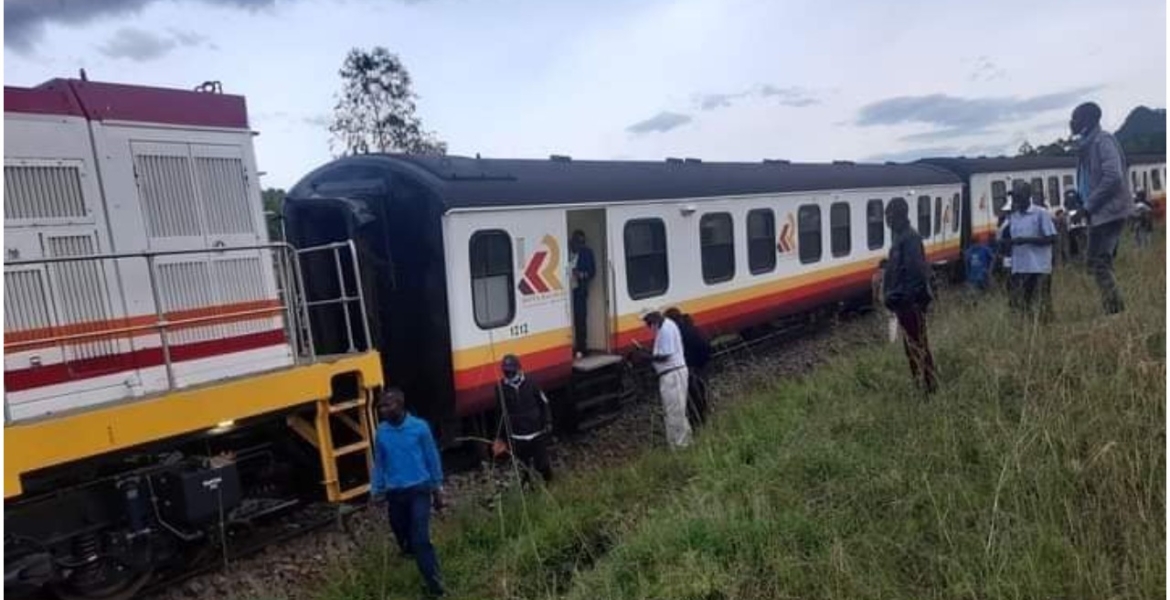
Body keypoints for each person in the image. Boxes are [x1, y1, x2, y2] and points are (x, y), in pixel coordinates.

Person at [370, 389, 445, 598]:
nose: (383, 410)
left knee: (420, 539)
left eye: (387, 405)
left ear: (400, 405)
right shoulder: (382, 432)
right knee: (401, 533)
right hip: (395, 493)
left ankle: (436, 585)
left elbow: (432, 457)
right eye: (381, 407)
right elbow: (380, 462)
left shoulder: (420, 428)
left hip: (419, 490)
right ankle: (412, 551)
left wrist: (437, 488)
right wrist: (376, 489)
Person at [1070, 102, 1131, 315]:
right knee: (1095, 262)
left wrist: (1088, 206)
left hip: (1108, 212)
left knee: (1099, 262)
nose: (1072, 123)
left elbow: (1113, 177)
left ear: (1088, 120)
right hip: (1097, 213)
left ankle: (1116, 310)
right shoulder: (1086, 146)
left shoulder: (1102, 141)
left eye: (1076, 118)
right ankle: (1113, 305)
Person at [882, 197, 937, 394]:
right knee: (911, 346)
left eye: (888, 216)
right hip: (904, 303)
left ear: (897, 216)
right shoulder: (900, 238)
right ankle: (920, 383)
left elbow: (915, 273)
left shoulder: (910, 239)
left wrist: (904, 299)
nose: (886, 221)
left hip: (911, 304)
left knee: (918, 344)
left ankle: (929, 386)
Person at [1002, 180, 1057, 322]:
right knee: (1022, 304)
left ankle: (1047, 326)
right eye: (1014, 197)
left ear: (1027, 196)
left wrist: (1026, 240)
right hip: (1020, 268)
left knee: (1042, 302)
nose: (1015, 200)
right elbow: (1008, 241)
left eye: (1018, 196)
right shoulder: (1013, 217)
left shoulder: (1041, 214)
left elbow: (1052, 238)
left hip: (1039, 267)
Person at [495, 354, 554, 484]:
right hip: (517, 435)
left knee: (542, 464)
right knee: (523, 467)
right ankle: (527, 488)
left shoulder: (531, 382)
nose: (509, 374)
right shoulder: (500, 388)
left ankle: (549, 483)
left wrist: (548, 421)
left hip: (536, 431)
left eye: (512, 371)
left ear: (518, 369)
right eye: (506, 372)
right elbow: (500, 413)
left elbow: (544, 403)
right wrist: (501, 437)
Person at [640, 310, 692, 449]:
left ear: (654, 316)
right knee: (676, 410)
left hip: (673, 375)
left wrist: (647, 357)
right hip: (671, 374)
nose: (647, 325)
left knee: (674, 412)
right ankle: (683, 441)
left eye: (648, 321)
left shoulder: (666, 330)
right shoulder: (665, 326)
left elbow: (665, 356)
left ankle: (680, 446)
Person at [664, 307, 712, 428]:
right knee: (701, 395)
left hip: (688, 369)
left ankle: (696, 423)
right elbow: (705, 346)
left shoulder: (676, 334)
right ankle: (703, 420)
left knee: (691, 398)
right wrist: (703, 363)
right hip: (699, 367)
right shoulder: (692, 328)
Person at [569, 230, 596, 358]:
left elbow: (592, 272)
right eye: (577, 242)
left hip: (579, 290)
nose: (580, 245)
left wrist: (580, 274)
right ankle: (569, 347)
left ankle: (581, 347)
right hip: (564, 293)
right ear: (572, 241)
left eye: (582, 242)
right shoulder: (565, 251)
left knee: (580, 319)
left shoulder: (587, 253)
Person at [871, 259, 898, 343]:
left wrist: (875, 300)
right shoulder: (893, 275)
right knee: (893, 318)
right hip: (891, 299)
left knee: (882, 317)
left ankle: (882, 336)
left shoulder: (875, 276)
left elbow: (874, 290)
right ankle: (893, 339)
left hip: (881, 299)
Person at [1064, 189, 1088, 261]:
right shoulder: (1079, 206)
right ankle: (1083, 256)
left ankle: (1076, 256)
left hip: (1072, 226)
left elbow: (1065, 206)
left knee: (1073, 240)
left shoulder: (1068, 208)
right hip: (1081, 224)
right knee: (1083, 241)